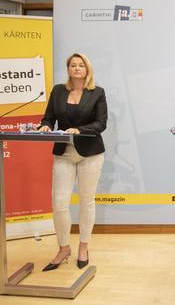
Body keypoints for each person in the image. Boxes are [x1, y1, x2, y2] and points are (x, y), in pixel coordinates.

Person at [38, 53, 107, 271]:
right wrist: (46, 126)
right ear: (68, 69)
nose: (77, 68)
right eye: (73, 65)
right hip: (63, 151)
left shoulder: (97, 93)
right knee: (59, 203)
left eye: (81, 65)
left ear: (87, 69)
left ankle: (83, 247)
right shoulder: (59, 91)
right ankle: (64, 247)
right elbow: (48, 116)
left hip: (91, 153)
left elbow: (101, 123)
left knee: (87, 201)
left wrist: (80, 129)